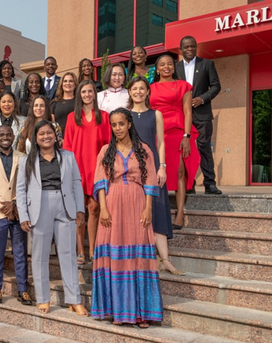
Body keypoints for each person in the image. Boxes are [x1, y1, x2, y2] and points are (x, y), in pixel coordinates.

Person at [92, 108, 163, 327]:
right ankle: (119, 312)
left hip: (137, 203)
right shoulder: (106, 151)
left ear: (129, 124)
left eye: (121, 124)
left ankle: (141, 313)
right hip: (112, 205)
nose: (118, 128)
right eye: (114, 125)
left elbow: (150, 180)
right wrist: (103, 208)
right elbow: (101, 181)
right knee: (113, 256)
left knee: (138, 256)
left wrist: (148, 208)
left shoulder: (144, 150)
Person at [16, 120, 88, 316]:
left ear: (56, 136)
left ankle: (74, 300)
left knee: (68, 255)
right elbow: (20, 189)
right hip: (39, 208)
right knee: (39, 257)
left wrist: (80, 210)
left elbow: (76, 183)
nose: (46, 136)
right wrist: (23, 215)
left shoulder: (68, 157)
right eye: (42, 134)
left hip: (65, 206)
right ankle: (44, 299)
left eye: (50, 133)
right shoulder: (27, 161)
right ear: (36, 138)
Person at [128, 76, 184, 275]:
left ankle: (166, 260)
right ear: (129, 91)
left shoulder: (156, 114)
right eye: (134, 88)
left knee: (158, 211)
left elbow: (160, 143)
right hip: (131, 171)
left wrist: (162, 167)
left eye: (142, 88)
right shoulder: (124, 115)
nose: (138, 92)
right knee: (134, 214)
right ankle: (138, 259)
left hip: (153, 169)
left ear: (147, 91)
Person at [0, 125, 32, 305]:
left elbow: (28, 184)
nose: (5, 137)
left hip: (18, 213)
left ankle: (23, 290)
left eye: (8, 134)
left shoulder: (23, 158)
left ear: (14, 136)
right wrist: (3, 205)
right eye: (1, 134)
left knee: (20, 253)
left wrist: (15, 204)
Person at [150, 54, 201, 230]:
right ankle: (157, 213)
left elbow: (188, 112)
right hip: (157, 134)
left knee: (180, 172)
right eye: (162, 64)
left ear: (174, 67)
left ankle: (180, 213)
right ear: (157, 69)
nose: (166, 67)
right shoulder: (150, 88)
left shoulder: (183, 86)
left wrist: (187, 136)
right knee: (156, 172)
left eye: (170, 64)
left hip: (178, 132)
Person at [63, 80, 111, 265]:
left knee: (94, 209)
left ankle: (93, 249)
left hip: (97, 169)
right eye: (84, 91)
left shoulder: (104, 117)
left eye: (90, 91)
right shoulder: (71, 117)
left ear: (95, 94)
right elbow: (67, 145)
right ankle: (80, 251)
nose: (87, 94)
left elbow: (108, 145)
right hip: (77, 168)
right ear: (79, 94)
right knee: (78, 211)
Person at [176, 35, 222, 195]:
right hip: (182, 116)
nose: (189, 49)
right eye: (186, 47)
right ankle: (189, 184)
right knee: (185, 149)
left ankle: (210, 183)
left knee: (204, 147)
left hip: (202, 114)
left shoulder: (207, 64)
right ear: (181, 50)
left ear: (196, 47)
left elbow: (216, 86)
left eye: (192, 46)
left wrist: (202, 99)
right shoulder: (175, 68)